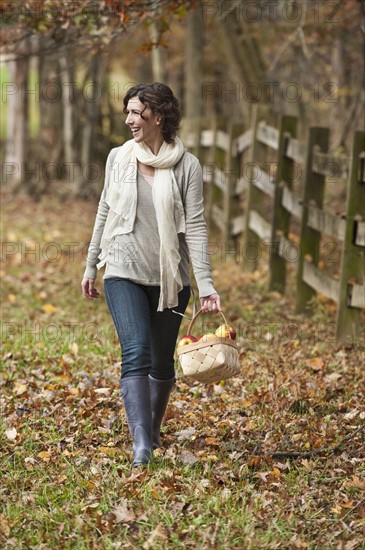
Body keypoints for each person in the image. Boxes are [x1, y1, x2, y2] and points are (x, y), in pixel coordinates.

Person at [81, 82, 221, 467]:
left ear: (158, 116)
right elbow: (105, 210)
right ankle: (141, 445)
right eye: (126, 111)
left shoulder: (186, 165)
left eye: (135, 112)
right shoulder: (118, 158)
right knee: (136, 352)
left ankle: (152, 431)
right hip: (122, 269)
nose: (128, 119)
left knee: (161, 362)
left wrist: (206, 284)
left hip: (169, 279)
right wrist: (92, 263)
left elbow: (194, 226)